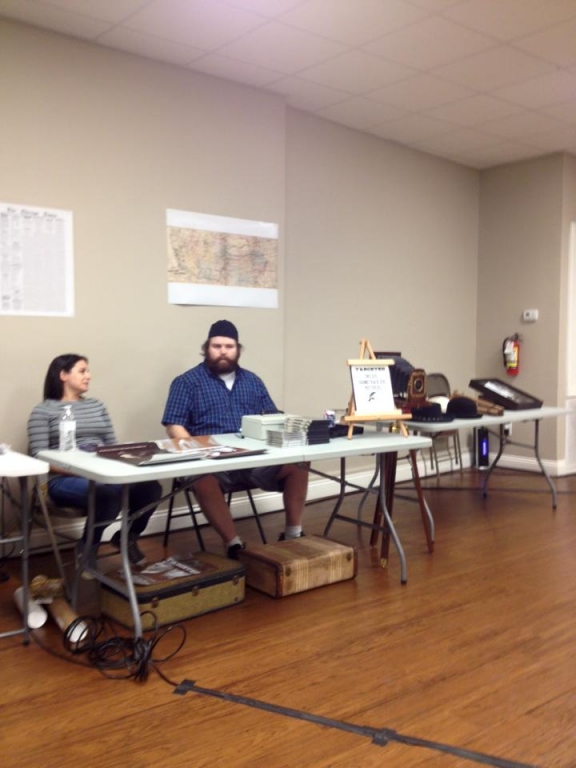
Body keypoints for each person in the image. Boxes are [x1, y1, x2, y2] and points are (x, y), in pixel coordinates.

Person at [162, 320, 308, 558]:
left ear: (238, 349)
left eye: (229, 346)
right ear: (206, 348)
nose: (223, 351)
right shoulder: (186, 382)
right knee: (201, 476)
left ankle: (293, 533)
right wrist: (197, 452)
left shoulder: (252, 381)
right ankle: (233, 544)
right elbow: (173, 425)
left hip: (252, 459)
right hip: (211, 461)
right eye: (216, 346)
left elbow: (271, 417)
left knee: (299, 464)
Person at [28, 353, 162, 574]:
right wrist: (84, 471)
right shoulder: (43, 411)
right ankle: (88, 547)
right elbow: (38, 457)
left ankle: (127, 538)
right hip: (61, 479)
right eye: (82, 371)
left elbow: (112, 446)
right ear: (63, 375)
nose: (88, 376)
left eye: (88, 371)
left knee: (151, 488)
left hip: (102, 472)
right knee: (107, 493)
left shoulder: (97, 406)